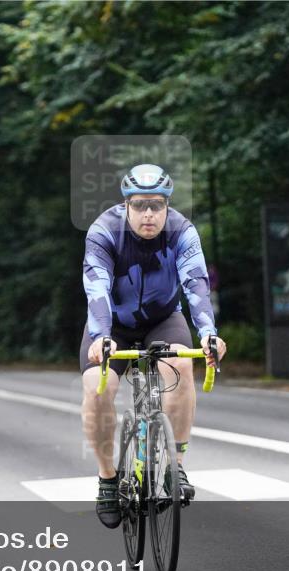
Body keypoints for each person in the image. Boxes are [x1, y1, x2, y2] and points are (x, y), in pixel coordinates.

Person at [81, 164, 227, 528]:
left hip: (163, 319)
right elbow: (96, 287)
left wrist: (208, 332)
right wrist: (100, 337)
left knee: (180, 366)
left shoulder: (182, 231)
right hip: (112, 323)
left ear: (167, 207)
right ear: (126, 205)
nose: (149, 214)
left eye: (157, 206)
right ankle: (107, 480)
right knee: (97, 389)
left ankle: (174, 469)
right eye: (141, 205)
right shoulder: (105, 231)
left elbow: (196, 284)